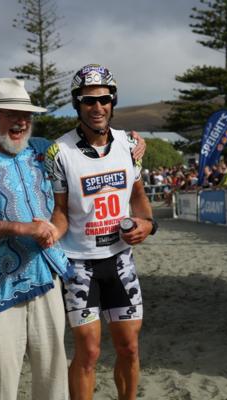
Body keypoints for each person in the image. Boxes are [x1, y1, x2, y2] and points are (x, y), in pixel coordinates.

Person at [0, 78, 73, 400]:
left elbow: (83, 151)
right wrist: (21, 228)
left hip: (47, 277)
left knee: (53, 376)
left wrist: (131, 142)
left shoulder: (44, 150)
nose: (20, 121)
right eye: (9, 114)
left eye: (26, 115)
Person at [45, 64, 156, 400]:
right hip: (79, 265)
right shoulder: (59, 152)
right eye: (88, 101)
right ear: (77, 104)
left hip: (120, 261)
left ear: (113, 101)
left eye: (104, 100)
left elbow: (138, 197)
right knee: (89, 352)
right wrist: (47, 235)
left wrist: (148, 224)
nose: (97, 107)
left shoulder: (129, 144)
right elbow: (61, 210)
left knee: (129, 348)